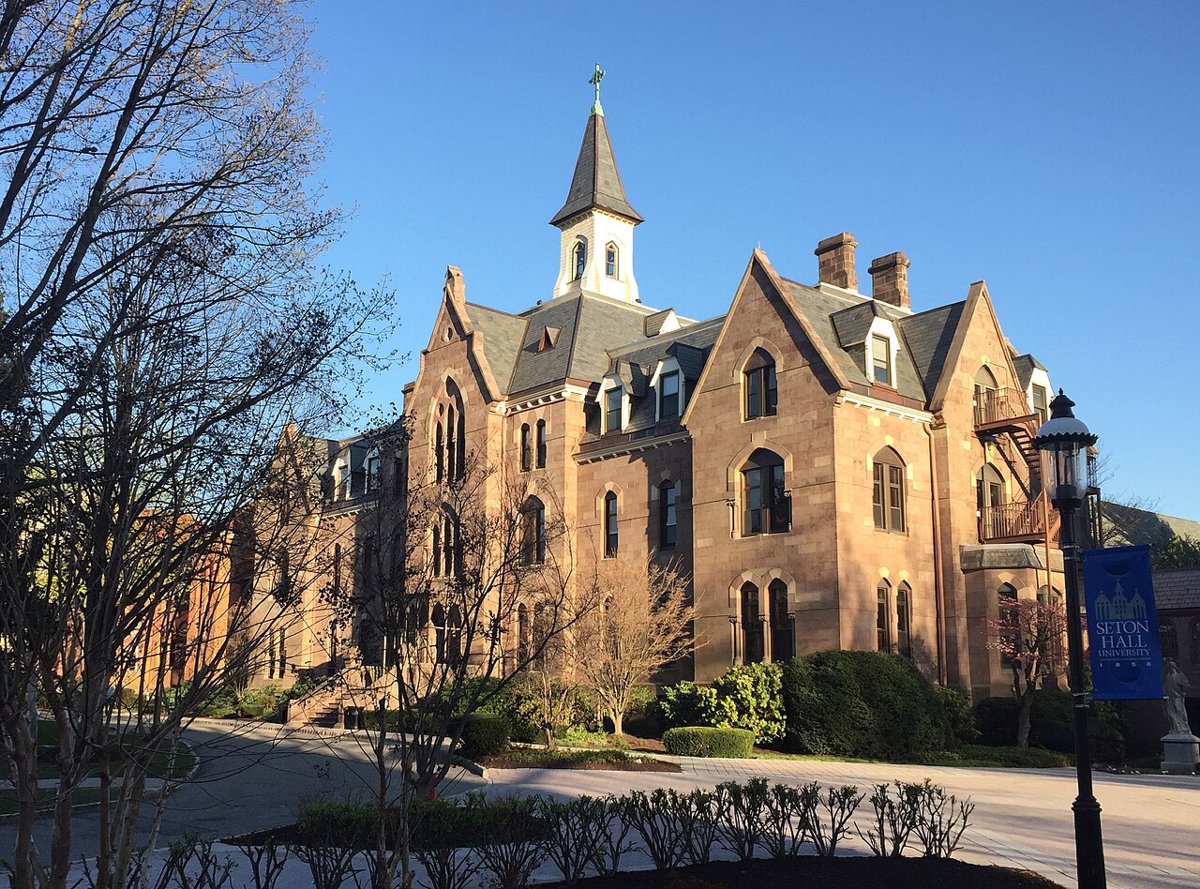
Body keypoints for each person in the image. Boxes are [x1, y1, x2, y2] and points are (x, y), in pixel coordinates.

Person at [1163, 658, 1193, 735]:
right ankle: (1175, 727)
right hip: (1170, 697)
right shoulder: (1168, 676)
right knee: (1170, 712)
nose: (1171, 668)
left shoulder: (1180, 675)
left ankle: (1184, 727)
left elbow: (1187, 686)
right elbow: (1165, 687)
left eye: (1172, 667)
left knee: (1180, 711)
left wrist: (1181, 688)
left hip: (1178, 697)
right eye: (1169, 667)